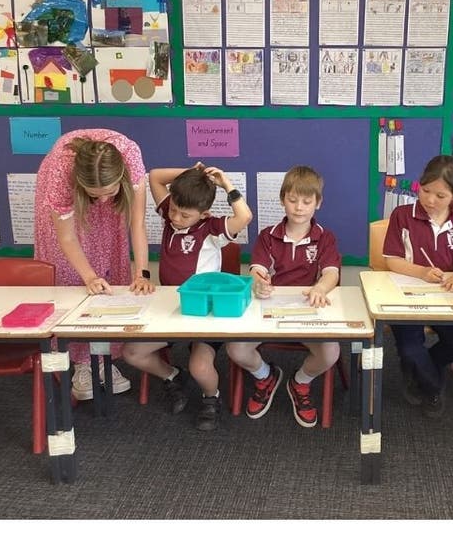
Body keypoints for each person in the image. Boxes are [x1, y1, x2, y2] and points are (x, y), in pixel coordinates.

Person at [122, 164, 252, 431]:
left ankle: (211, 397)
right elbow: (155, 177)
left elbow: (245, 216)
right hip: (171, 309)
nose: (175, 218)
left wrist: (225, 183)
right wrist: (194, 173)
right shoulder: (172, 212)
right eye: (172, 210)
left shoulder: (212, 228)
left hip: (204, 313)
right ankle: (172, 375)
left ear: (203, 214)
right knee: (132, 352)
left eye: (184, 215)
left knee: (200, 367)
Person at [34, 129, 155, 401]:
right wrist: (89, 276)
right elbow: (66, 238)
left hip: (106, 180)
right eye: (95, 194)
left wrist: (142, 273)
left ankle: (102, 360)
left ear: (121, 178)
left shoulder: (131, 158)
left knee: (111, 260)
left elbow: (137, 223)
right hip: (65, 198)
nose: (102, 201)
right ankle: (81, 364)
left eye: (109, 192)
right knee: (72, 276)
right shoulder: (60, 172)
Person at [227, 165, 341, 428]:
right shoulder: (268, 236)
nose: (299, 208)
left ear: (318, 203)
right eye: (292, 200)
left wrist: (320, 288)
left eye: (306, 202)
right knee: (235, 349)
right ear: (282, 200)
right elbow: (256, 270)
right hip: (269, 312)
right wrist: (259, 283)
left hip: (307, 312)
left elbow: (331, 274)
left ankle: (299, 382)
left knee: (330, 353)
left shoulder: (325, 238)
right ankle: (265, 376)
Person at [382, 154, 453, 414]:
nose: (429, 200)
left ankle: (420, 368)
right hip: (407, 295)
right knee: (410, 347)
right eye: (425, 191)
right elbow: (392, 260)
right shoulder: (402, 215)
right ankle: (433, 386)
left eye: (440, 196)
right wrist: (421, 271)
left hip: (446, 295)